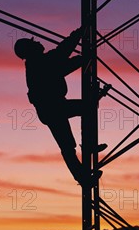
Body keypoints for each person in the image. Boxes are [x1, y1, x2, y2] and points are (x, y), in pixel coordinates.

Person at [14, 27, 110, 188]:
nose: (38, 42)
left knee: (68, 144)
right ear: (30, 50)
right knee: (86, 110)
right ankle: (85, 165)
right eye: (34, 43)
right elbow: (63, 54)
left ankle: (83, 175)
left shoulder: (38, 63)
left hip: (51, 109)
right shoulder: (38, 63)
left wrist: (81, 58)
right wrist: (80, 35)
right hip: (53, 108)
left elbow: (61, 64)